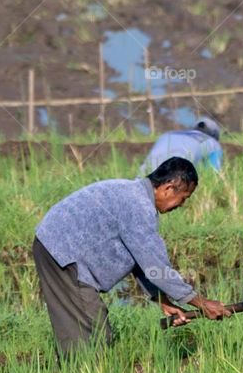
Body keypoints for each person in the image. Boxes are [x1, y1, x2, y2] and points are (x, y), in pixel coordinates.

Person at [32, 156, 230, 358]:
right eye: (184, 198)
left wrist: (162, 299)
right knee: (92, 334)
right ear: (169, 188)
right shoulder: (139, 207)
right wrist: (200, 303)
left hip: (55, 247)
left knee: (83, 331)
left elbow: (140, 261)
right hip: (63, 253)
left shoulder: (133, 194)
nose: (181, 205)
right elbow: (156, 267)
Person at [141, 118, 224, 176]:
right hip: (173, 180)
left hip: (144, 175)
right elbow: (212, 173)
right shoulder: (214, 144)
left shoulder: (166, 135)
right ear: (215, 136)